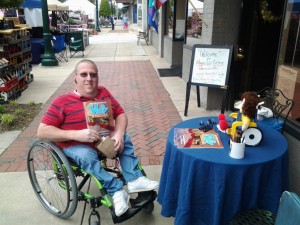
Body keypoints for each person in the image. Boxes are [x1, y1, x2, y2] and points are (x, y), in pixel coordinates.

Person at [37, 59, 159, 217]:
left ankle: (134, 180)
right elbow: (42, 132)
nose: (89, 78)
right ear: (75, 78)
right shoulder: (62, 102)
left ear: (98, 78)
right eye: (83, 74)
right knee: (86, 155)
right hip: (75, 145)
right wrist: (76, 134)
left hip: (102, 141)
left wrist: (119, 134)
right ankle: (115, 190)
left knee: (125, 137)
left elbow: (120, 114)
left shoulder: (103, 93)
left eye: (93, 75)